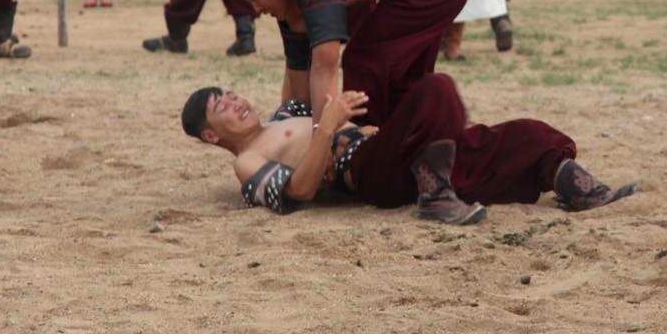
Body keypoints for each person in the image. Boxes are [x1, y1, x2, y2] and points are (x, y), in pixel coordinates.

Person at [182, 74, 636, 224]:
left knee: (522, 133)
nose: (236, 102)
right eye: (222, 107)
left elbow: (303, 54)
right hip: (365, 172)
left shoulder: (287, 112)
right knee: (436, 89)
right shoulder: (248, 161)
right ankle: (436, 197)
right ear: (211, 137)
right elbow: (297, 194)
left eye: (231, 94)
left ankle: (573, 186)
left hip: (393, 153)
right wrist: (328, 127)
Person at [222, 0, 471, 129]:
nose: (255, 10)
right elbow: (298, 81)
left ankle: (377, 148)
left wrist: (322, 142)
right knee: (399, 78)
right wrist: (286, 129)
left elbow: (325, 68)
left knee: (365, 63)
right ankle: (415, 141)